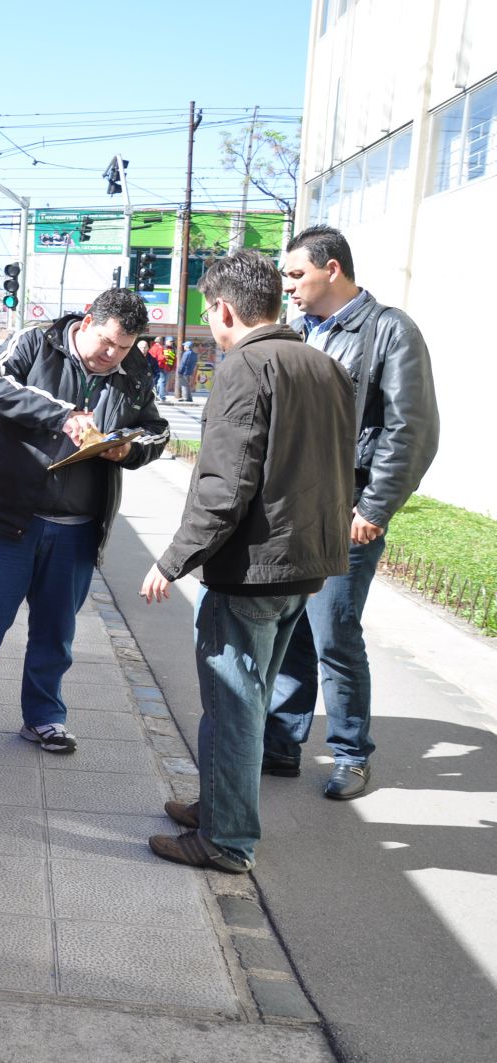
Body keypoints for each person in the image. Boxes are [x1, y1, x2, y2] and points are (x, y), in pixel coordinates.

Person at [139, 250, 355, 872]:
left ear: (224, 309)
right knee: (248, 700)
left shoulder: (244, 368)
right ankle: (218, 807)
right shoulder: (326, 367)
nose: (211, 325)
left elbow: (224, 486)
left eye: (209, 314)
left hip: (253, 569)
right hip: (305, 564)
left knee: (233, 707)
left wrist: (173, 560)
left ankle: (226, 839)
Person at [0, 289, 169, 758]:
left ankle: (44, 718)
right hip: (8, 518)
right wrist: (63, 417)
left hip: (77, 528)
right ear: (87, 321)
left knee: (56, 634)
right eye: (105, 342)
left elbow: (156, 431)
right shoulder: (37, 342)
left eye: (123, 347)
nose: (111, 354)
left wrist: (129, 449)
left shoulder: (133, 371)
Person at [264, 226, 440, 800]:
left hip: (347, 509)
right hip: (293, 507)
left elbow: (410, 431)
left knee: (333, 632)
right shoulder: (298, 334)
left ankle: (350, 754)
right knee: (289, 631)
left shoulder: (389, 330)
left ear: (331, 269)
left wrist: (374, 506)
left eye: (295, 274)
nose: (286, 286)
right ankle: (282, 744)